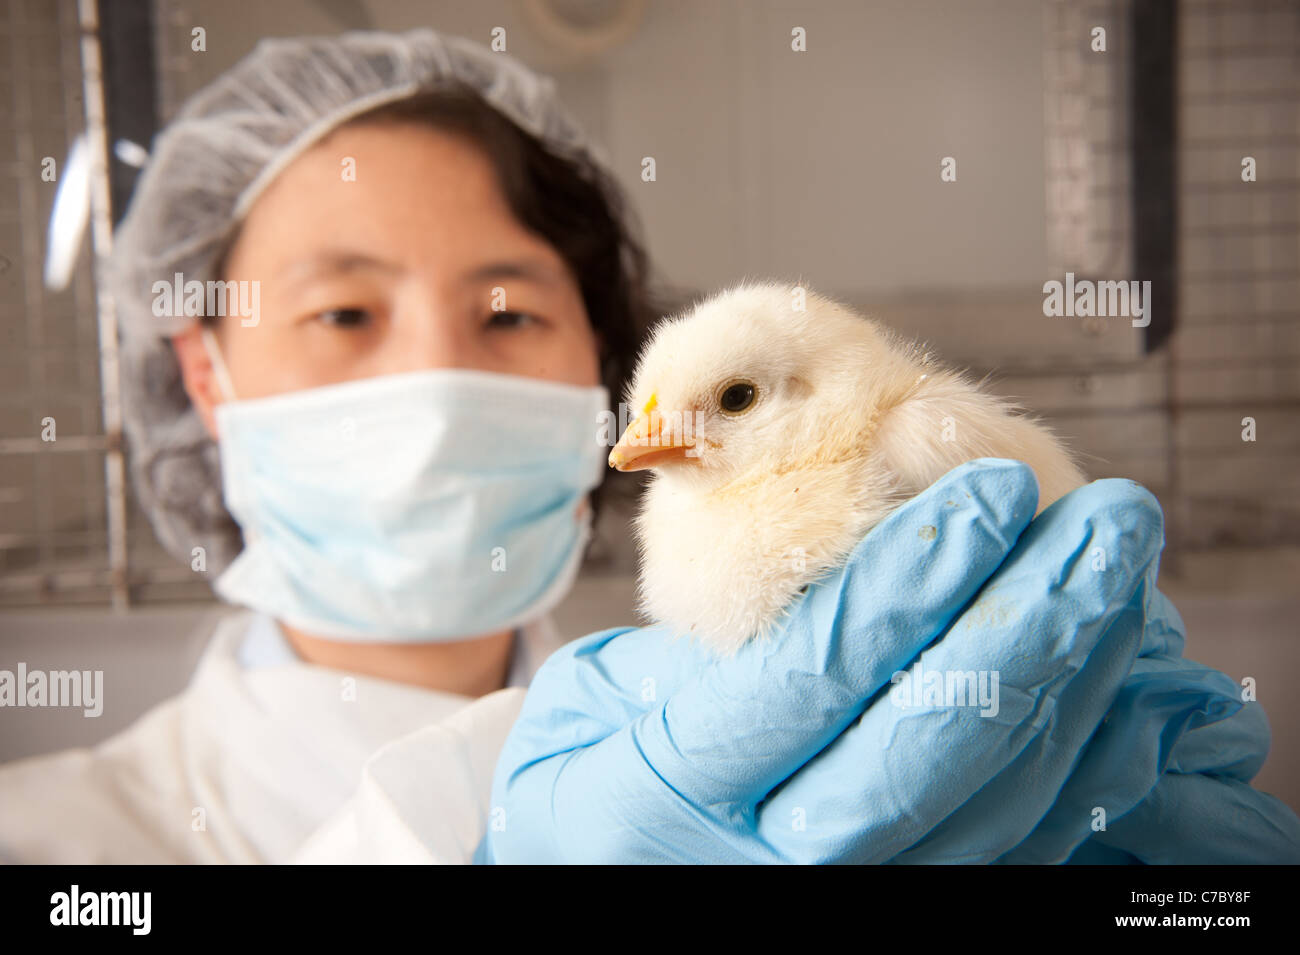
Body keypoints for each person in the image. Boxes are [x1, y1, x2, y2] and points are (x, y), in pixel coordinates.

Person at [1, 28, 1295, 865]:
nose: (437, 377)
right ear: (205, 371)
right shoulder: (53, 845)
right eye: (343, 312)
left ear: (599, 377)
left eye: (508, 312)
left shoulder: (764, 648)